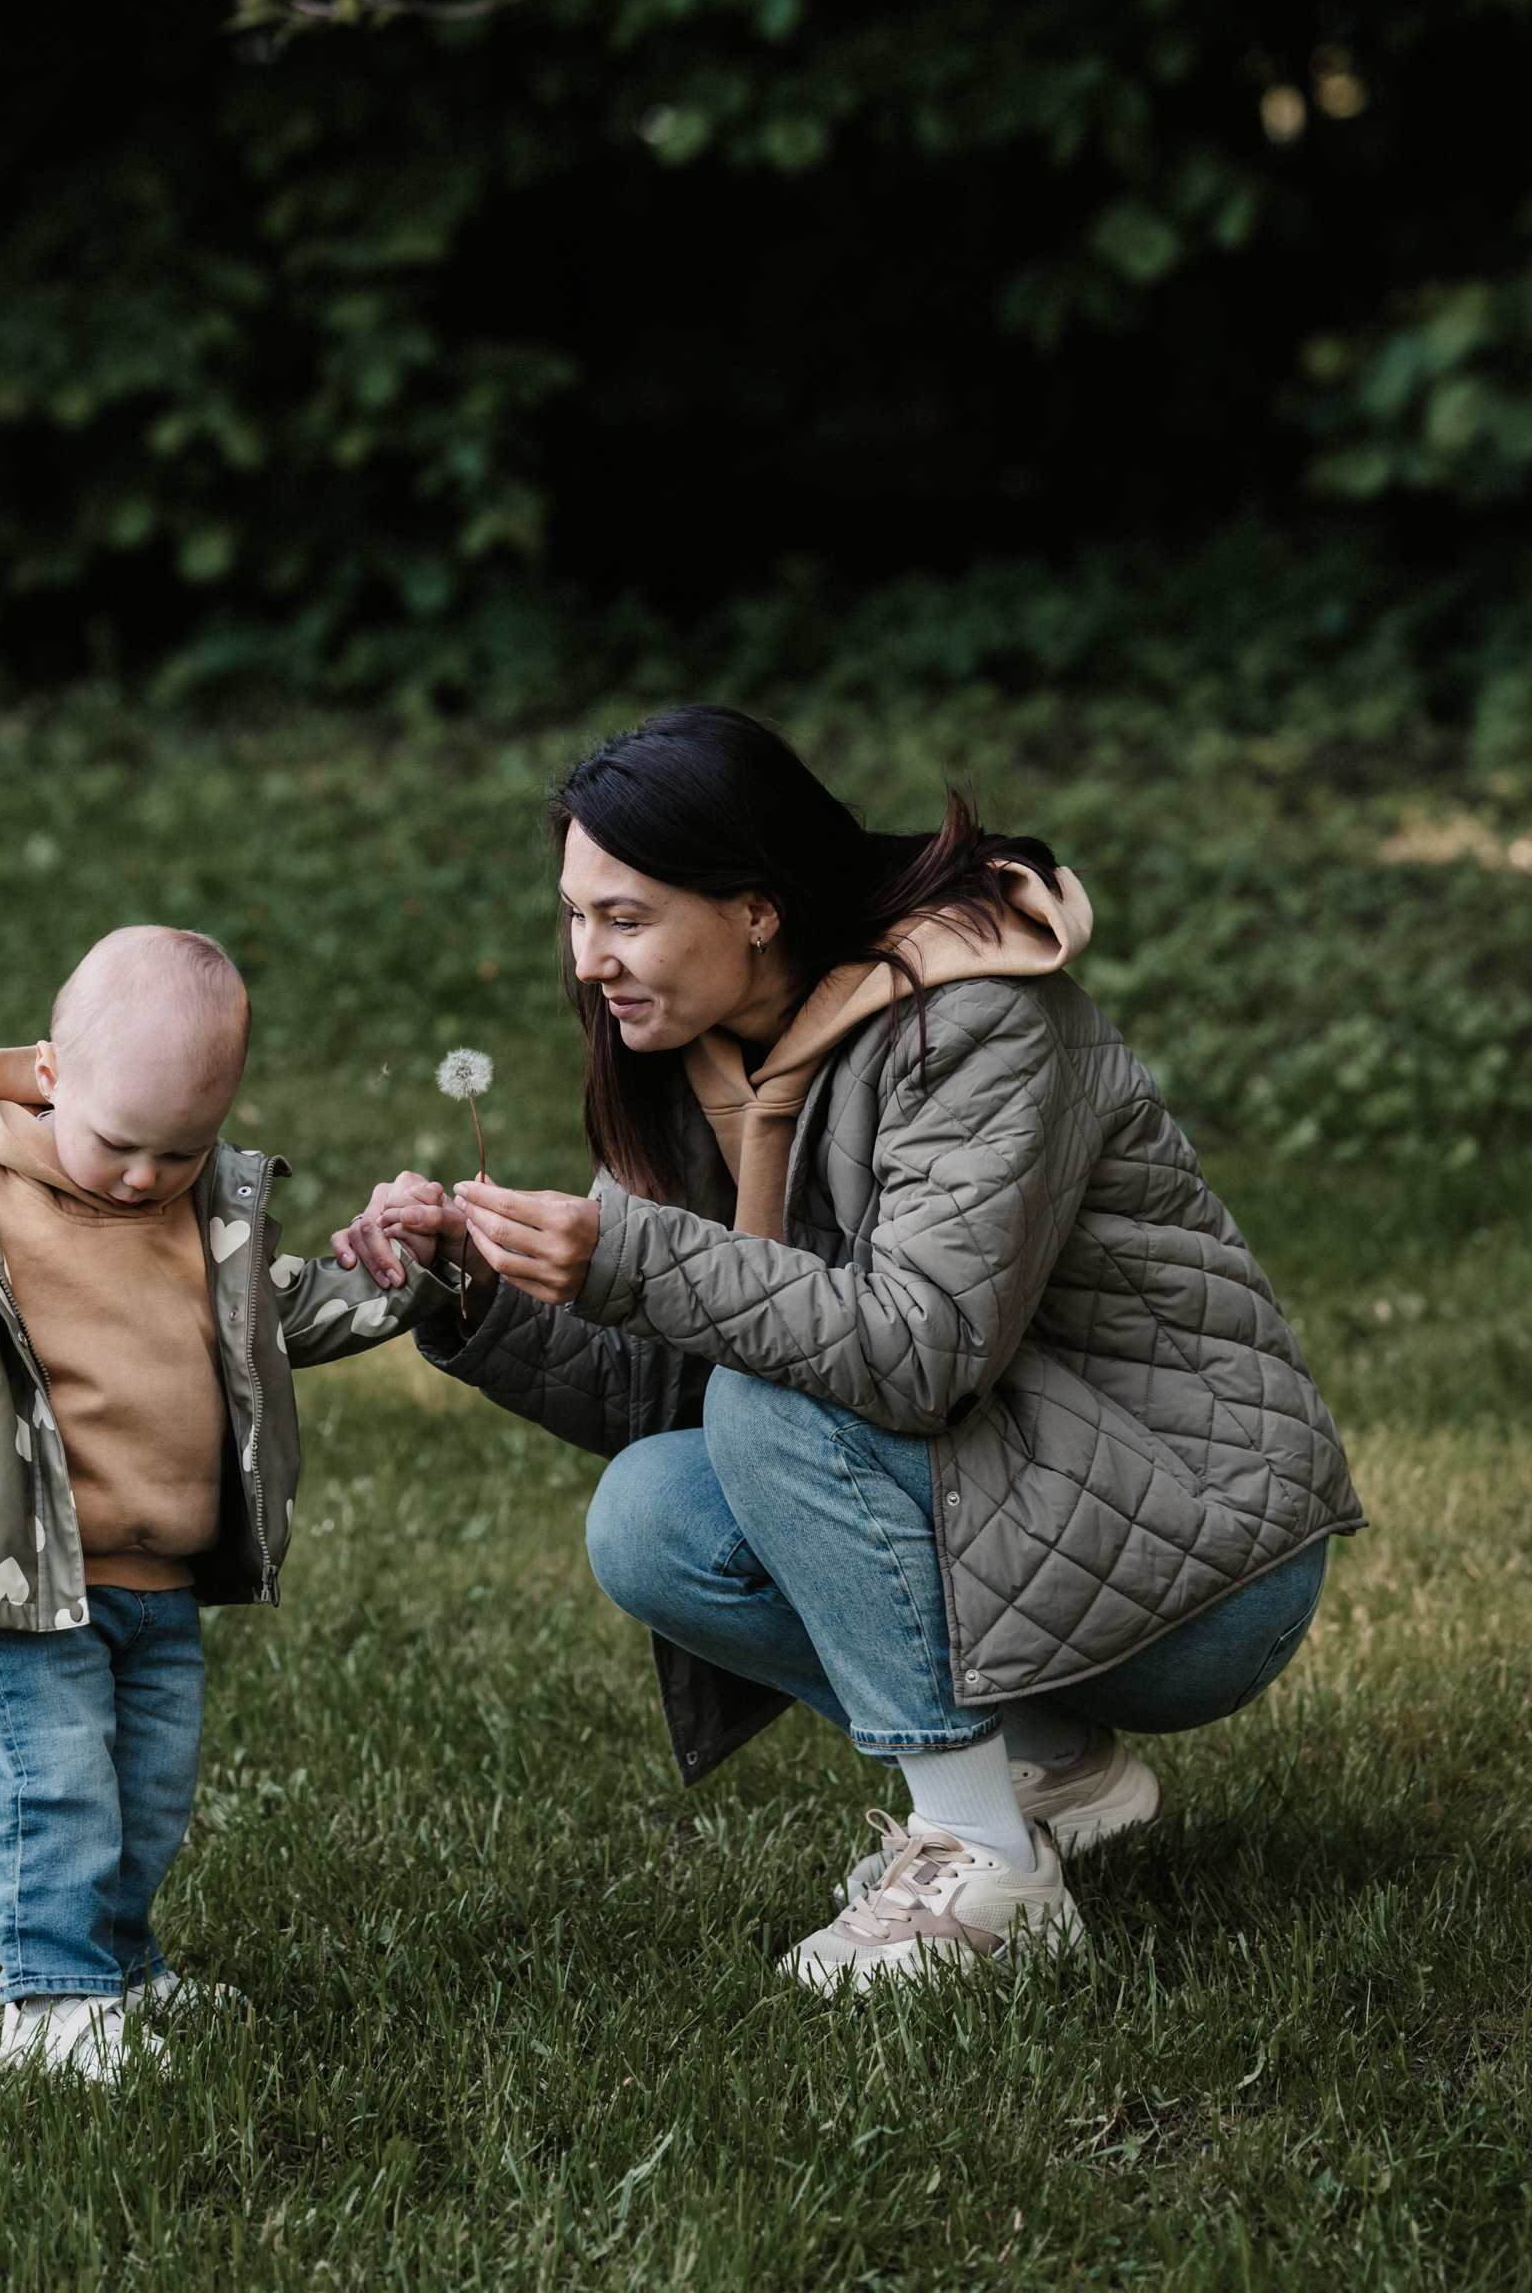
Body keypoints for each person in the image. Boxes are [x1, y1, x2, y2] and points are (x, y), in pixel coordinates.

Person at [335, 707, 1361, 1991]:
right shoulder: (691, 1053)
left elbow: (918, 1347)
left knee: (773, 1404)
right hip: (1015, 1504)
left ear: (756, 907)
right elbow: (669, 1376)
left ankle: (986, 1869)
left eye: (627, 916)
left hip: (1200, 1551)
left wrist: (624, 1255)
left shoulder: (977, 1019)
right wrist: (473, 1293)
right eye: (577, 914)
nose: (589, 958)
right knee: (650, 1514)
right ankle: (1045, 1762)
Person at [0, 922, 443, 2076]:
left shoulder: (199, 1209)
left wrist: (406, 1267)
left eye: (183, 1148)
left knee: (145, 1796)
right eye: (123, 1144)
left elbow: (288, 1312)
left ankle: (120, 1966)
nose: (147, 1176)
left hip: (160, 1579)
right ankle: (51, 2002)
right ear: (52, 1075)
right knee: (58, 1785)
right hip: (26, 1576)